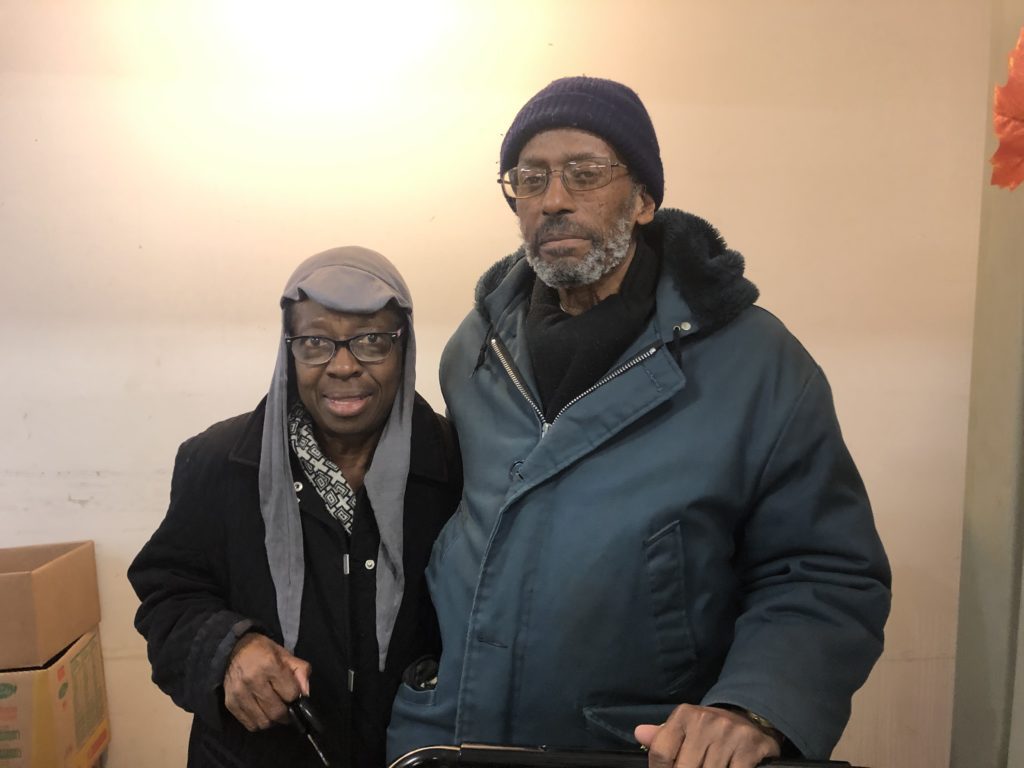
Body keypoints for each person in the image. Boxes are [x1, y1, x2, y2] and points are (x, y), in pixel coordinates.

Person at [386, 77, 891, 768]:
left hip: (634, 751)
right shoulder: (474, 352)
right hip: (455, 740)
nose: (554, 200)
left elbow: (824, 572)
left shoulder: (756, 365)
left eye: (585, 174)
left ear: (645, 199)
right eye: (530, 179)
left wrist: (754, 705)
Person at [129, 246, 461, 768]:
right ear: (289, 350)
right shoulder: (218, 463)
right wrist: (229, 650)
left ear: (405, 348)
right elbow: (168, 596)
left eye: (372, 340)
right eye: (315, 342)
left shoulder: (455, 468)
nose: (344, 365)